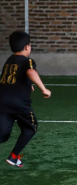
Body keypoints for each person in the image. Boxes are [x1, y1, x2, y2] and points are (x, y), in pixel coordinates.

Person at [0, 31, 51, 167]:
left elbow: (11, 80)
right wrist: (43, 89)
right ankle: (13, 156)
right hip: (19, 104)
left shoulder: (9, 61)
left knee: (3, 134)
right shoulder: (27, 61)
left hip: (3, 103)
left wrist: (28, 86)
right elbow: (30, 72)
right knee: (31, 127)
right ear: (27, 47)